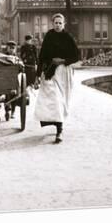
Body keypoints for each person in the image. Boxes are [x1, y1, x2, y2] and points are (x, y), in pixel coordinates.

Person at [34, 13, 79, 144]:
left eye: (60, 23)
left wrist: (63, 61)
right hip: (50, 72)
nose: (58, 25)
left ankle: (59, 127)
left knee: (61, 100)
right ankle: (59, 129)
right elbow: (42, 57)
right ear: (52, 24)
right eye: (55, 23)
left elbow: (76, 56)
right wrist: (37, 75)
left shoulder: (68, 37)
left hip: (64, 72)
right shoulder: (49, 36)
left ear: (63, 24)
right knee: (54, 100)